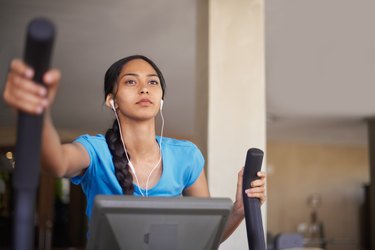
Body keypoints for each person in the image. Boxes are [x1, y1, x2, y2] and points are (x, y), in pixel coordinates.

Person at [3, 55, 266, 242]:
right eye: (130, 81)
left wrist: (239, 210)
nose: (144, 88)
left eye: (153, 82)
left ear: (161, 99)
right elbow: (56, 162)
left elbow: (207, 238)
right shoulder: (94, 151)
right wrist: (39, 113)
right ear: (111, 100)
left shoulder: (187, 156)